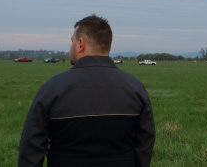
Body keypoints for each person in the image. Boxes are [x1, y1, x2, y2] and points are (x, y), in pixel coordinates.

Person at [18, 14, 155, 166]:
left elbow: (31, 148)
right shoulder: (135, 88)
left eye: (72, 41)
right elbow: (145, 143)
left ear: (80, 44)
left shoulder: (52, 89)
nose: (71, 46)